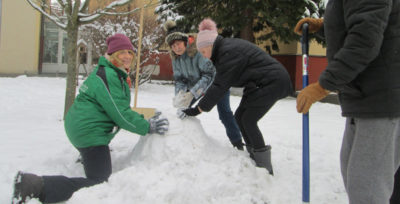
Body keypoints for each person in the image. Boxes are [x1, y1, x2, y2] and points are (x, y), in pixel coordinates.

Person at [294, 0, 400, 203]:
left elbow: (363, 43)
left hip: (381, 98)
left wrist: (323, 86)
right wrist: (325, 24)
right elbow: (357, 22)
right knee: (360, 176)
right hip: (364, 97)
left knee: (367, 188)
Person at [12, 33, 169, 204]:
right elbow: (120, 114)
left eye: (130, 52)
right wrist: (147, 126)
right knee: (99, 180)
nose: (127, 56)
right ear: (112, 55)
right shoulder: (109, 76)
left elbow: (116, 108)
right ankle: (35, 185)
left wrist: (143, 117)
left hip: (79, 125)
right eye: (122, 52)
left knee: (97, 161)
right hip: (88, 133)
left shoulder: (110, 72)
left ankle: (88, 157)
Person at [181, 18, 293, 175]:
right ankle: (253, 155)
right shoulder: (224, 50)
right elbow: (217, 83)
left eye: (204, 52)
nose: (205, 56)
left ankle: (264, 167)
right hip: (258, 83)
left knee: (249, 119)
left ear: (210, 45)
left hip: (273, 82)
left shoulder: (228, 52)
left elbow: (220, 85)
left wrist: (198, 109)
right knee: (240, 116)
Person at [163, 20, 244, 150]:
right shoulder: (176, 59)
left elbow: (209, 75)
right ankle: (185, 143)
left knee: (224, 113)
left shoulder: (197, 52)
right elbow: (180, 79)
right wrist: (180, 95)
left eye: (178, 44)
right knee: (183, 110)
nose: (176, 48)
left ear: (184, 41)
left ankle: (237, 142)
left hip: (217, 83)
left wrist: (192, 93)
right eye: (173, 46)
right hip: (196, 87)